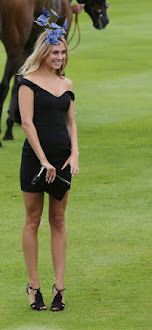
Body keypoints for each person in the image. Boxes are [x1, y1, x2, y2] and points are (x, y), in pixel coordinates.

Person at [18, 26, 79, 311]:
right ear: (43, 52)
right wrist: (43, 160)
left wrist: (75, 153)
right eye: (55, 52)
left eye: (63, 52)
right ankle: (34, 286)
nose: (60, 56)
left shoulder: (66, 84)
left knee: (59, 220)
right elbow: (28, 123)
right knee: (33, 219)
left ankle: (60, 287)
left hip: (63, 161)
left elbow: (70, 123)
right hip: (36, 160)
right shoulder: (27, 82)